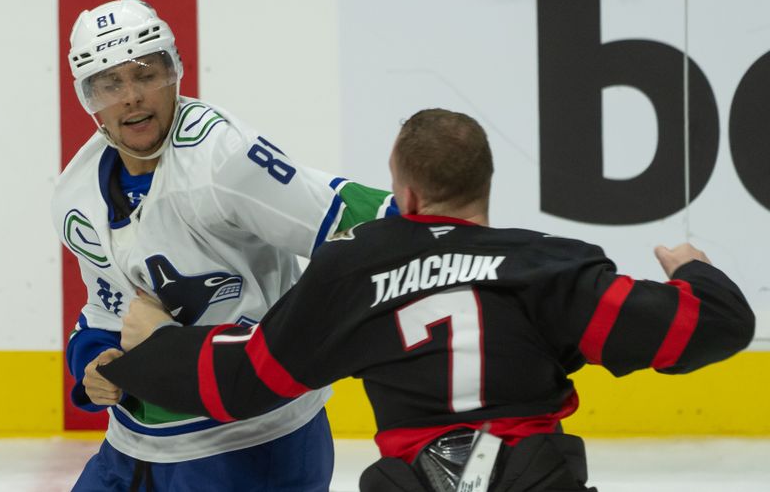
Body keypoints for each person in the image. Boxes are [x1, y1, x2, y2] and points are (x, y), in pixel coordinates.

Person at [100, 108, 755, 492]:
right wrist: (695, 274)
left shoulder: (350, 273)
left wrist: (150, 347)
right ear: (486, 189)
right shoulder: (548, 265)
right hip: (533, 476)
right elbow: (710, 328)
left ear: (404, 194)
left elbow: (247, 378)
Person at [52, 0, 396, 491]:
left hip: (256, 443)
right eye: (111, 83)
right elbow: (107, 309)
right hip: (134, 446)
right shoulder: (77, 194)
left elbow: (341, 214)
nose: (132, 96)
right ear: (92, 99)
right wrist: (95, 362)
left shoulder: (221, 159)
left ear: (172, 74)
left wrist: (447, 219)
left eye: (146, 74)